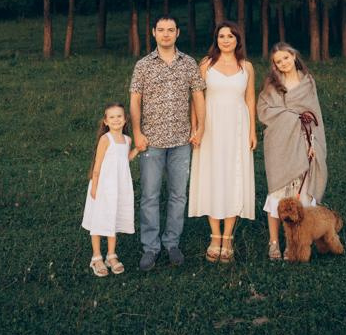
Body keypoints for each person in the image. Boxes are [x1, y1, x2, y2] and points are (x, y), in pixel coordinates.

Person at [130, 15, 206, 272]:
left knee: (178, 195)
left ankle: (172, 243)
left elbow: (198, 97)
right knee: (150, 195)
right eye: (161, 30)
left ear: (177, 33)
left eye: (170, 30)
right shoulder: (143, 65)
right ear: (153, 33)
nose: (165, 34)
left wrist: (199, 128)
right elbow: (134, 101)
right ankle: (150, 248)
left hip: (181, 140)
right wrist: (137, 133)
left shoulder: (188, 64)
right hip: (151, 140)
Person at [188, 20, 256, 263]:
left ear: (237, 39)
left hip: (237, 127)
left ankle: (228, 238)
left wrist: (253, 132)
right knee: (212, 176)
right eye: (221, 36)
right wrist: (196, 127)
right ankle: (214, 236)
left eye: (230, 36)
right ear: (216, 39)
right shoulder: (206, 64)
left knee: (233, 177)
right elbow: (196, 99)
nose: (225, 40)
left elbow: (250, 100)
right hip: (211, 127)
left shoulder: (246, 66)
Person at [256, 42, 328, 261]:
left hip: (305, 141)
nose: (283, 63)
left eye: (286, 58)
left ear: (294, 55)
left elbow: (315, 115)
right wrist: (292, 116)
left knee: (303, 195)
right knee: (278, 193)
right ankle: (274, 243)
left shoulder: (308, 82)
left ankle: (296, 243)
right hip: (279, 144)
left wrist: (313, 144)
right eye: (278, 61)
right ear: (274, 65)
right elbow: (264, 110)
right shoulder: (272, 84)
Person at [82, 102, 138, 276]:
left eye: (119, 116)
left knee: (113, 217)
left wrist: (138, 149)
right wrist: (95, 187)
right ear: (105, 121)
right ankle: (96, 257)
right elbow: (98, 164)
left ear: (125, 119)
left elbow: (124, 159)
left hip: (119, 186)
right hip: (103, 187)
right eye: (111, 117)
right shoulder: (105, 139)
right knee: (100, 219)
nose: (116, 120)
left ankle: (111, 255)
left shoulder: (127, 140)